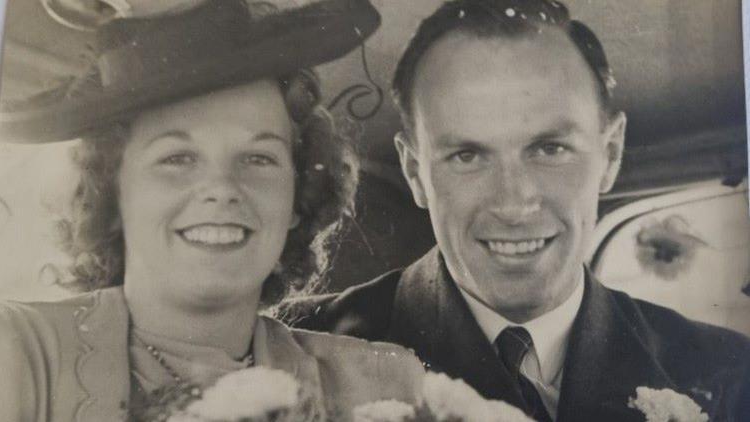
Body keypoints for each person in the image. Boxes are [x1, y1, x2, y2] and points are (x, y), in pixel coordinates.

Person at [283, 0, 750, 420]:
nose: (514, 202)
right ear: (413, 171)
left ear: (610, 155)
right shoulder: (293, 354)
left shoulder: (729, 376)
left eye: (549, 149)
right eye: (467, 156)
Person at [0, 1, 425, 421]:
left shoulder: (380, 387)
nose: (222, 189)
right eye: (177, 158)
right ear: (111, 194)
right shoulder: (17, 357)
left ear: (297, 196)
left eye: (259, 159)